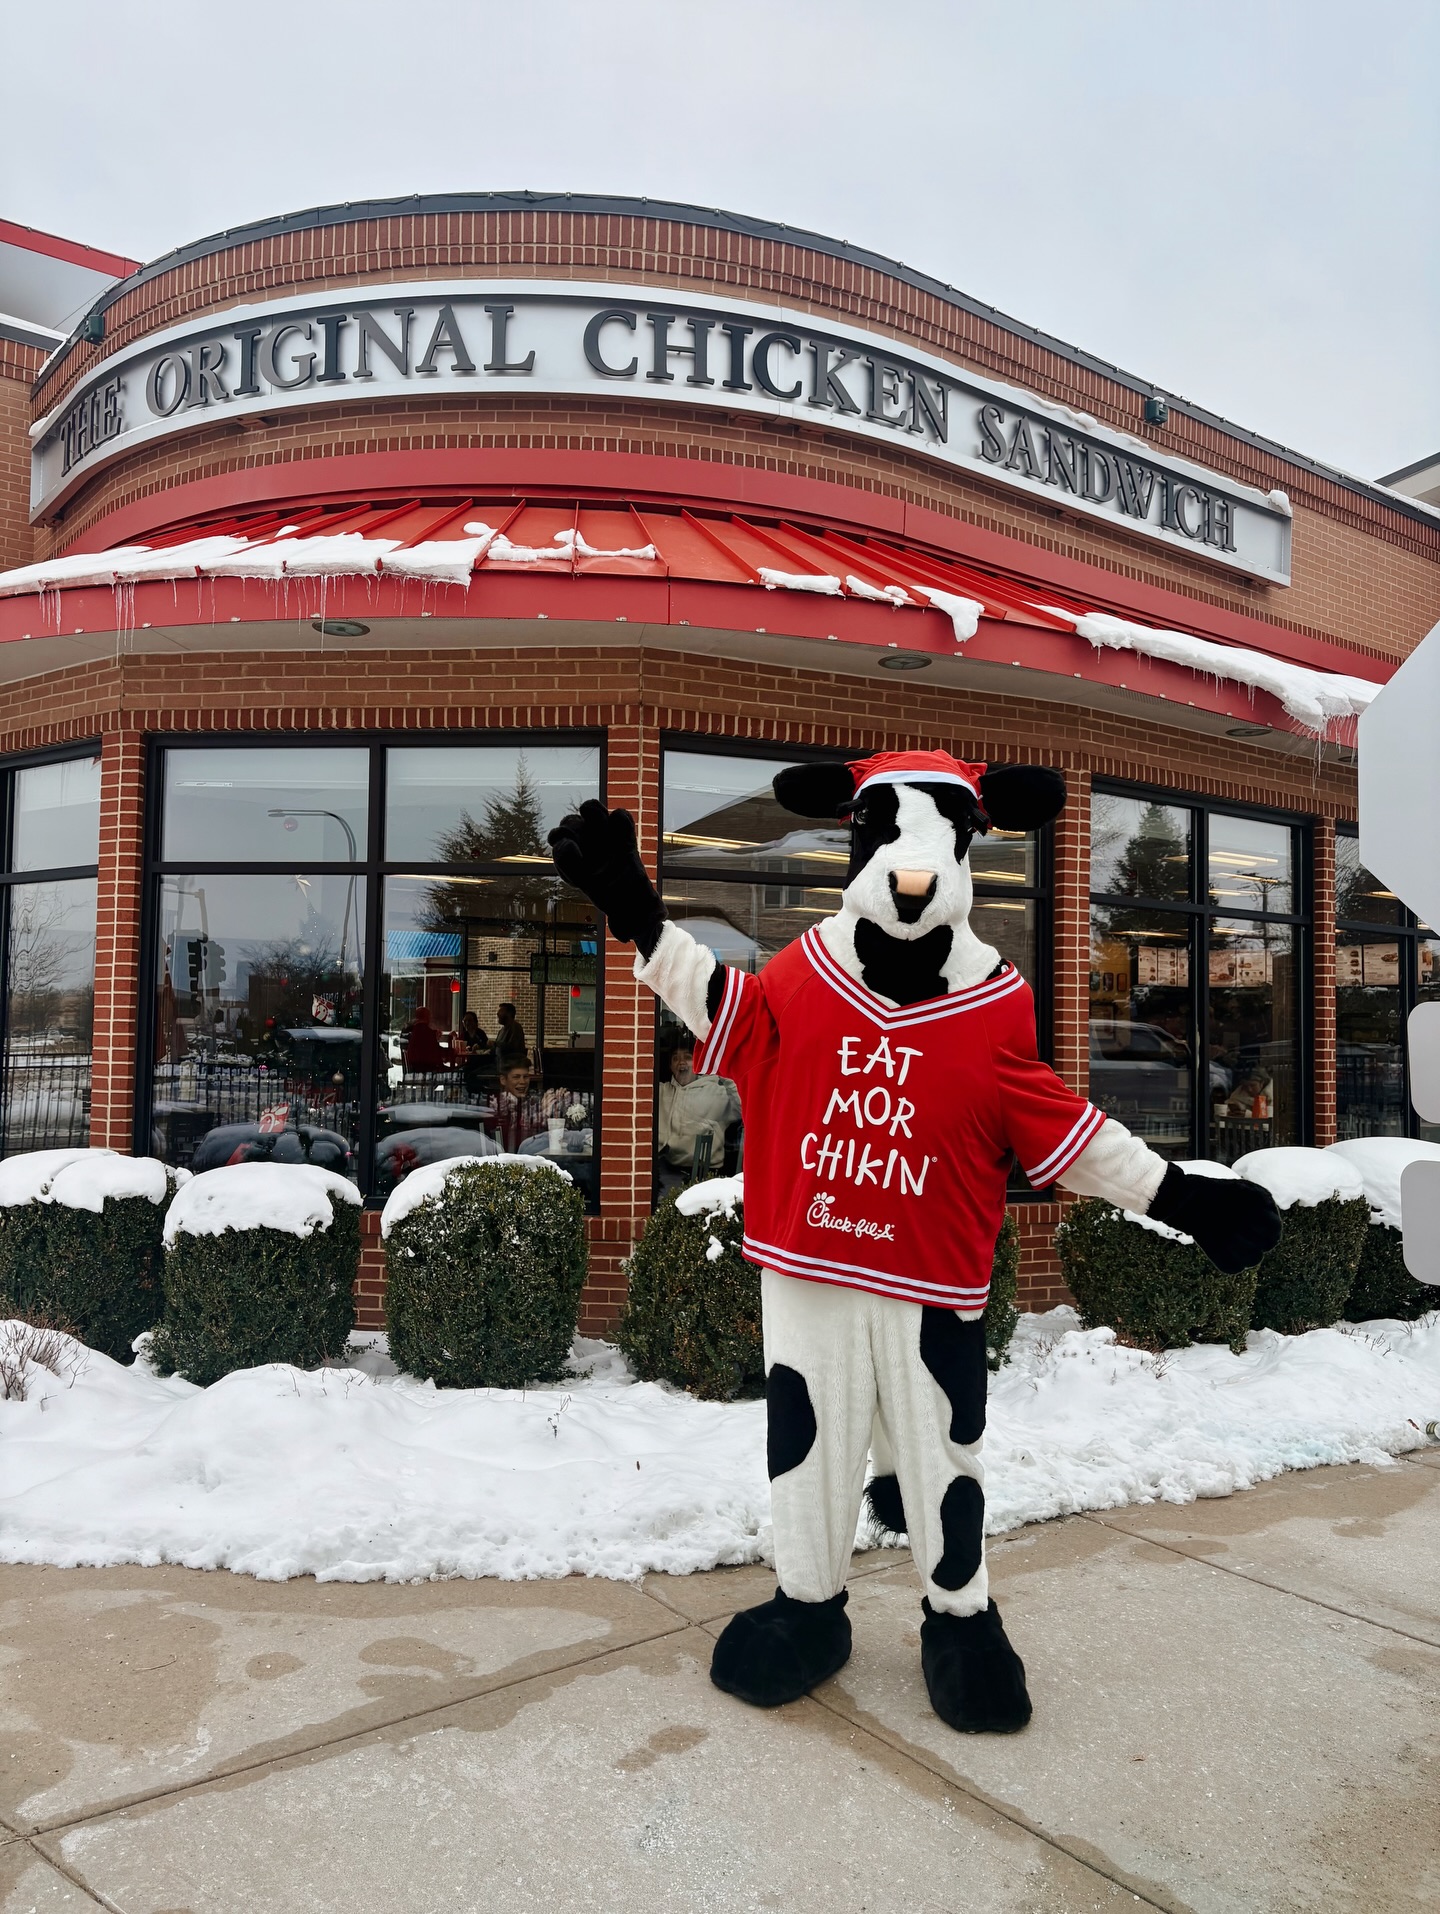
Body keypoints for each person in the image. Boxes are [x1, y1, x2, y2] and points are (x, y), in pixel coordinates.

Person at [656, 1033, 741, 1193]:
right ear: (670, 1066)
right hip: (663, 1170)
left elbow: (743, 1108)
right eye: (675, 1058)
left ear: (698, 1063)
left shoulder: (715, 1091)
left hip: (704, 1176)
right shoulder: (662, 1091)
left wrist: (725, 1074)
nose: (681, 1062)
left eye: (687, 1057)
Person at [488, 1056, 544, 1153]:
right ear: (503, 1080)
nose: (522, 1082)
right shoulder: (495, 1105)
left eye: (526, 1077)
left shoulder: (532, 1103)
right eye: (516, 1077)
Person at [402, 1005, 446, 1072]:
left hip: (415, 1068)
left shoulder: (410, 1030)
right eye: (429, 1016)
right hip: (427, 1069)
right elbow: (436, 1051)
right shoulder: (425, 1032)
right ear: (427, 1017)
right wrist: (452, 1051)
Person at [494, 1002, 528, 1073]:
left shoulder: (515, 1027)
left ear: (509, 1014)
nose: (498, 1013)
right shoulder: (502, 1030)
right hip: (500, 1064)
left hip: (510, 1067)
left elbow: (512, 1048)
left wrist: (495, 1044)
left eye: (501, 1011)